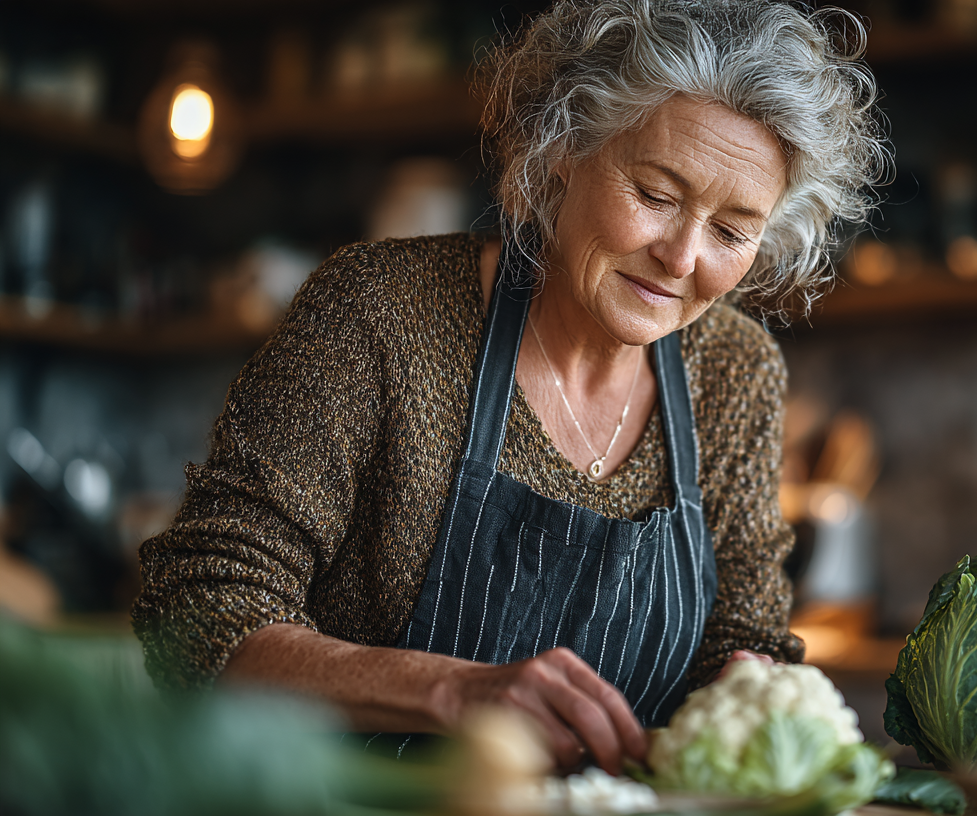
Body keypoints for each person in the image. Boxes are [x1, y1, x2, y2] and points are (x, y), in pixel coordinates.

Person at [132, 0, 884, 773]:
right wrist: (454, 692)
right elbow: (196, 608)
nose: (684, 257)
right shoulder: (380, 316)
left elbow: (743, 637)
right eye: (656, 195)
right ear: (565, 148)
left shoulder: (735, 371)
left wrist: (750, 687)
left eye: (731, 231)